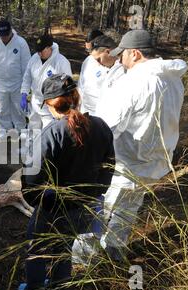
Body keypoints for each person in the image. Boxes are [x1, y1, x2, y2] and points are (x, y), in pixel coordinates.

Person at [19, 73, 115, 290]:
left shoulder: (52, 133)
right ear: (76, 97)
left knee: (38, 250)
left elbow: (31, 183)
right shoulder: (100, 127)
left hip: (52, 209)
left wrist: (47, 204)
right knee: (64, 248)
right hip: (82, 208)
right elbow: (108, 169)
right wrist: (90, 196)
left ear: (51, 105)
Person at [96, 30, 188, 260]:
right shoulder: (173, 79)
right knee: (130, 206)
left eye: (122, 55)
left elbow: (106, 127)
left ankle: (84, 260)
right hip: (154, 162)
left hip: (125, 163)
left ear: (135, 54)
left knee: (98, 212)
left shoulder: (134, 82)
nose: (119, 60)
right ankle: (115, 248)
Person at [72, 35, 126, 265]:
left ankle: (98, 241)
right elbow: (83, 89)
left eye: (99, 57)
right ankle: (86, 247)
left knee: (102, 188)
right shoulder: (91, 63)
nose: (96, 62)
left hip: (112, 133)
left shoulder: (124, 72)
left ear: (108, 51)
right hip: (91, 121)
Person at [0, 19, 31, 135]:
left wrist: (26, 88)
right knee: (2, 108)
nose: (4, 38)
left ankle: (21, 127)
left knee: (18, 108)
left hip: (17, 81)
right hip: (0, 82)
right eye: (1, 36)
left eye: (6, 35)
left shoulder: (21, 43)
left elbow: (27, 66)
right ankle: (5, 128)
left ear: (11, 31)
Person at [21, 34, 72, 130]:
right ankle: (31, 145)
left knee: (48, 133)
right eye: (38, 51)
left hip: (51, 107)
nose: (39, 53)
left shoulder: (61, 62)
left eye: (41, 51)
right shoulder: (34, 59)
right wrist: (24, 93)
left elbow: (68, 86)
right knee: (33, 130)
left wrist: (61, 107)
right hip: (36, 103)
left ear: (49, 48)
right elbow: (27, 77)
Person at [77, 29, 108, 115]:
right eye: (87, 50)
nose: (89, 53)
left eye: (91, 49)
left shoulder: (108, 63)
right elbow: (81, 84)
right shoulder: (87, 61)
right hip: (84, 109)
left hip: (100, 112)